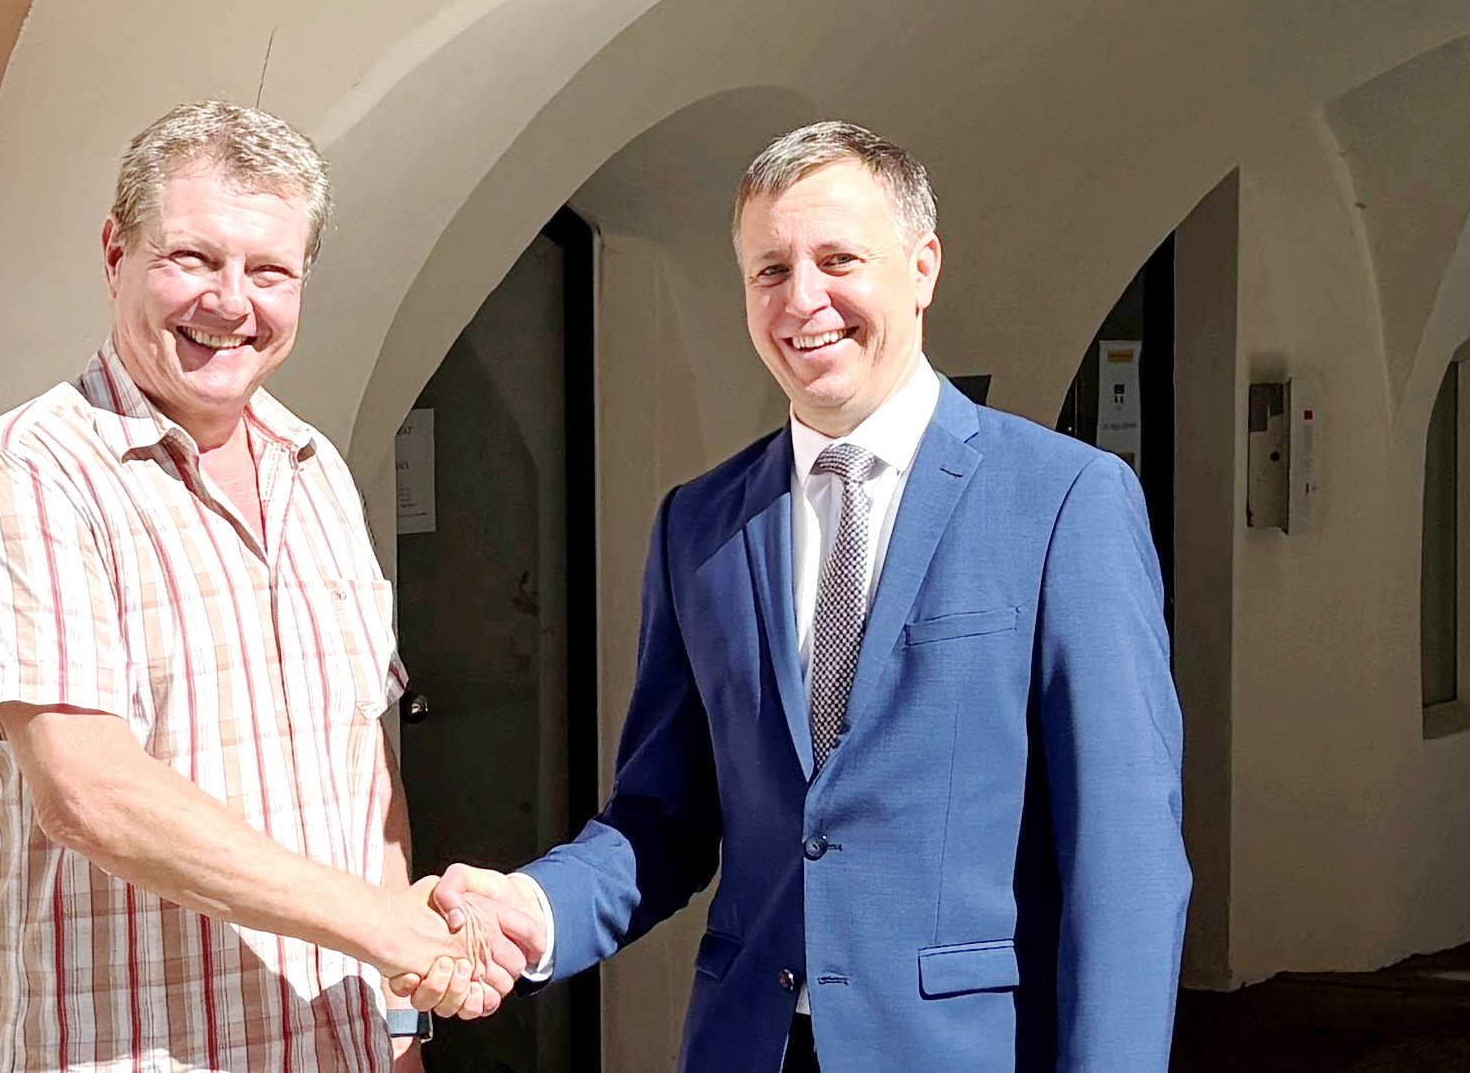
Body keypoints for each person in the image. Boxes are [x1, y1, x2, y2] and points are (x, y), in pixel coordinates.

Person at [420, 121, 1190, 1071]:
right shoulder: (700, 524)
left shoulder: (1064, 499)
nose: (802, 300)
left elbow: (1127, 856)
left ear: (922, 268)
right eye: (770, 270)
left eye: (838, 260)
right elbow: (662, 817)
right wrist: (535, 910)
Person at [0, 102, 533, 1073]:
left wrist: (398, 1022)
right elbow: (88, 791)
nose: (231, 301)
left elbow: (362, 768)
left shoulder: (315, 469)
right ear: (115, 253)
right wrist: (386, 927)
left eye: (269, 271)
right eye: (193, 258)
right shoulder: (28, 471)